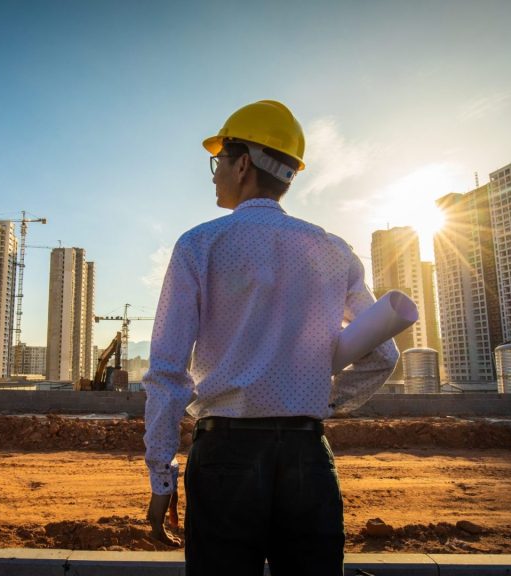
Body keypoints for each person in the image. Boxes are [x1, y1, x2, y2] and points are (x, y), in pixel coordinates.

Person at [143, 100, 399, 575]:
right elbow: (384, 354)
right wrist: (322, 402)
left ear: (243, 165)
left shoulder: (200, 245)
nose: (216, 171)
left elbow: (166, 373)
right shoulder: (332, 249)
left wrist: (161, 479)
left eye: (219, 160)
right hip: (307, 454)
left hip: (224, 456)